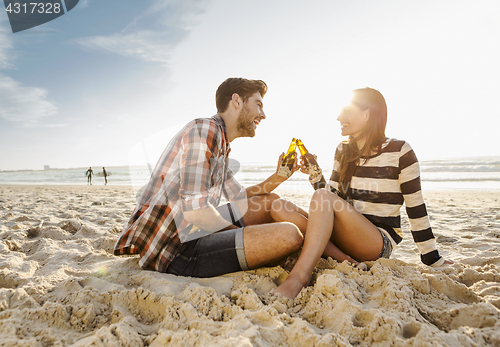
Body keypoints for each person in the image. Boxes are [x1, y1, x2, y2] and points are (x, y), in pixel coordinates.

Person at [271, 87, 453, 299]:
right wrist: (314, 174)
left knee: (319, 200)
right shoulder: (343, 150)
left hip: (376, 241)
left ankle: (298, 278)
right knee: (278, 206)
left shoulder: (401, 151)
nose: (339, 117)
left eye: (346, 112)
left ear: (367, 114)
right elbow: (332, 198)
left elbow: (416, 207)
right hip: (344, 235)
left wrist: (431, 257)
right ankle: (345, 259)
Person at [114, 78, 305, 277]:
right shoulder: (205, 130)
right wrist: (238, 234)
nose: (263, 115)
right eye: (258, 105)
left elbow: (239, 195)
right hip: (175, 250)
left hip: (192, 230)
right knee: (289, 235)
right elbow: (197, 213)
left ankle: (322, 234)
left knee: (270, 201)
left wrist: (279, 176)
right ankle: (321, 237)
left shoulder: (220, 141)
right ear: (237, 101)